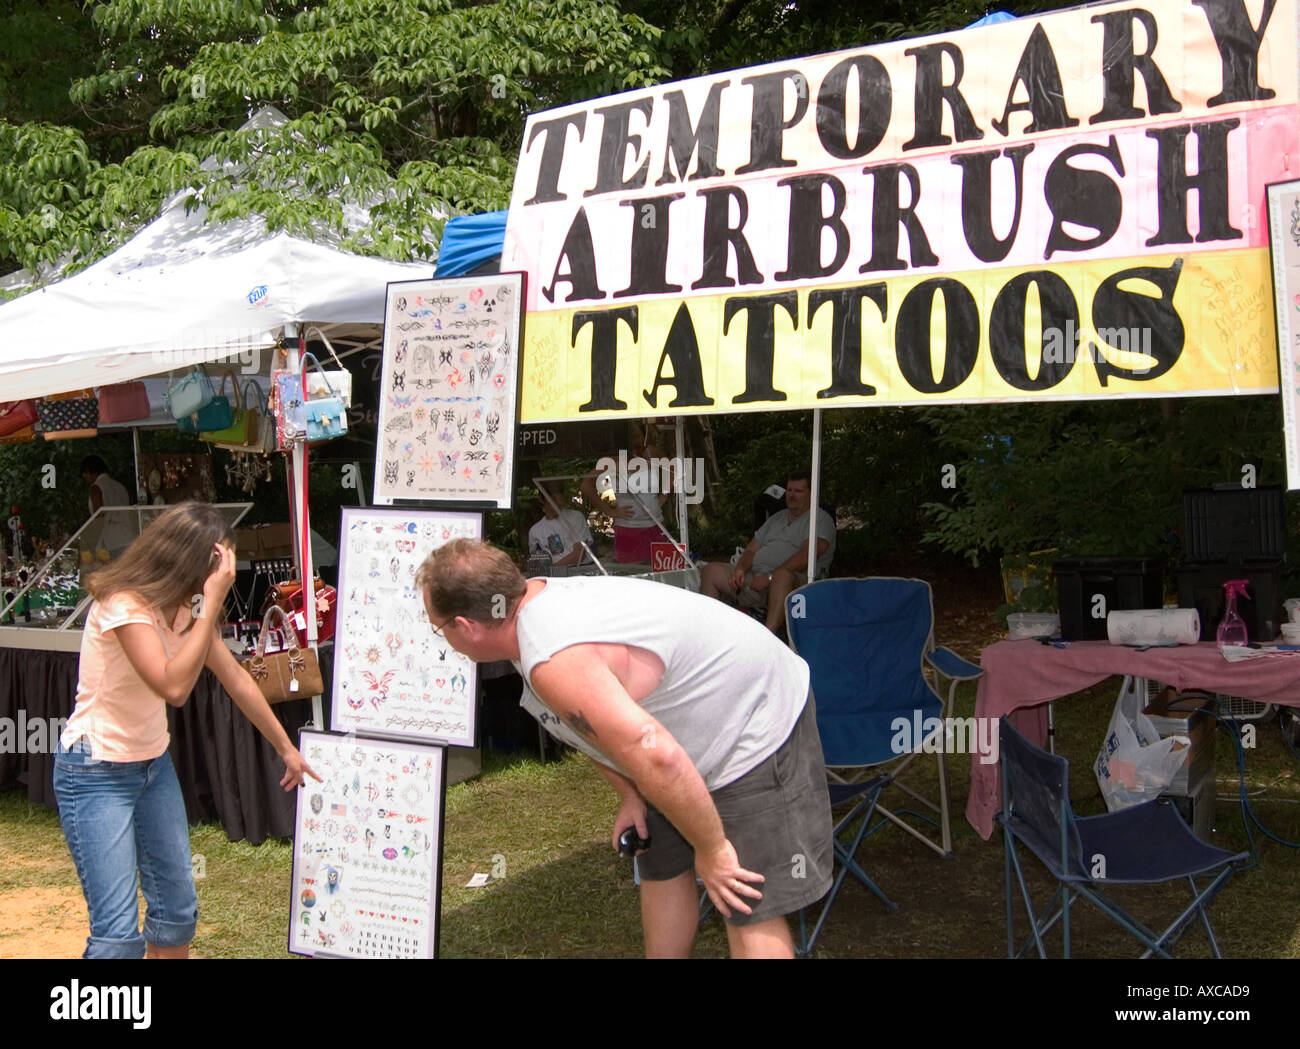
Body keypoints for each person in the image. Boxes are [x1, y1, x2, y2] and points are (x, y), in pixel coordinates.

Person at [417, 539, 832, 958]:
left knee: (742, 898)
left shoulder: (554, 656)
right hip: (673, 738)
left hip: (753, 715)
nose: (444, 638)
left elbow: (657, 754)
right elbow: (594, 729)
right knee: (662, 863)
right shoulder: (527, 610)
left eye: (439, 628)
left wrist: (712, 849)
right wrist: (630, 794)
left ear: (465, 626)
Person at [53, 501, 319, 959]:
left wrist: (285, 747)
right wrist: (212, 601)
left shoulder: (183, 609)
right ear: (187, 563)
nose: (219, 579)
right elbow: (174, 686)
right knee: (117, 938)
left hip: (152, 767)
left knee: (176, 914)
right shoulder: (123, 603)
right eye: (216, 568)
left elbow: (236, 679)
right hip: (94, 772)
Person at [698, 470, 835, 636]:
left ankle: (768, 638)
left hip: (797, 583)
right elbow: (750, 550)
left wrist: (770, 577)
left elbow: (807, 555)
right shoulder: (777, 518)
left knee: (782, 575)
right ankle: (708, 634)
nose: (791, 495)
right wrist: (740, 569)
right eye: (789, 490)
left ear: (811, 494)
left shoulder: (820, 519)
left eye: (798, 491)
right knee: (711, 571)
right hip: (757, 578)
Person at [581, 421, 670, 563]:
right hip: (629, 528)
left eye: (641, 436)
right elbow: (586, 486)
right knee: (632, 574)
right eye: (635, 439)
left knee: (662, 569)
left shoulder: (650, 452)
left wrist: (665, 493)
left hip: (656, 524)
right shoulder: (610, 460)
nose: (640, 442)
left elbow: (669, 465)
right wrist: (610, 511)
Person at [527, 482, 594, 568]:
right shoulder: (535, 531)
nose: (558, 503)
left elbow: (579, 555)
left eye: (560, 498)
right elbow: (536, 562)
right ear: (542, 500)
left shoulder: (575, 517)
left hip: (580, 570)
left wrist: (551, 570)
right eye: (553, 499)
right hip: (554, 576)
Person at [80, 455, 135, 558]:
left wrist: (90, 542)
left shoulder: (96, 488)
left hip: (111, 541)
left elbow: (99, 517)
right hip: (128, 536)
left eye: (85, 473)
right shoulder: (120, 486)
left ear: (89, 471)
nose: (85, 477)